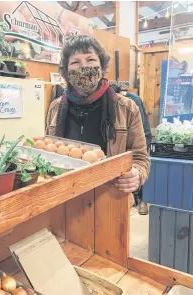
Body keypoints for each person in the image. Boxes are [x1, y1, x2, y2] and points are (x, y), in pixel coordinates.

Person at [46, 35, 150, 195]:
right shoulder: (55, 108)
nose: (84, 67)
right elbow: (49, 152)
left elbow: (140, 158)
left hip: (109, 198)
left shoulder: (126, 107)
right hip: (65, 197)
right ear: (66, 72)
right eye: (75, 62)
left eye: (90, 60)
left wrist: (136, 174)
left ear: (102, 67)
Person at [110, 83, 151, 215]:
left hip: (143, 135)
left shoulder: (132, 101)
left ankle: (142, 200)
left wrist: (138, 174)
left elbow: (144, 127)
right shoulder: (58, 106)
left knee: (136, 175)